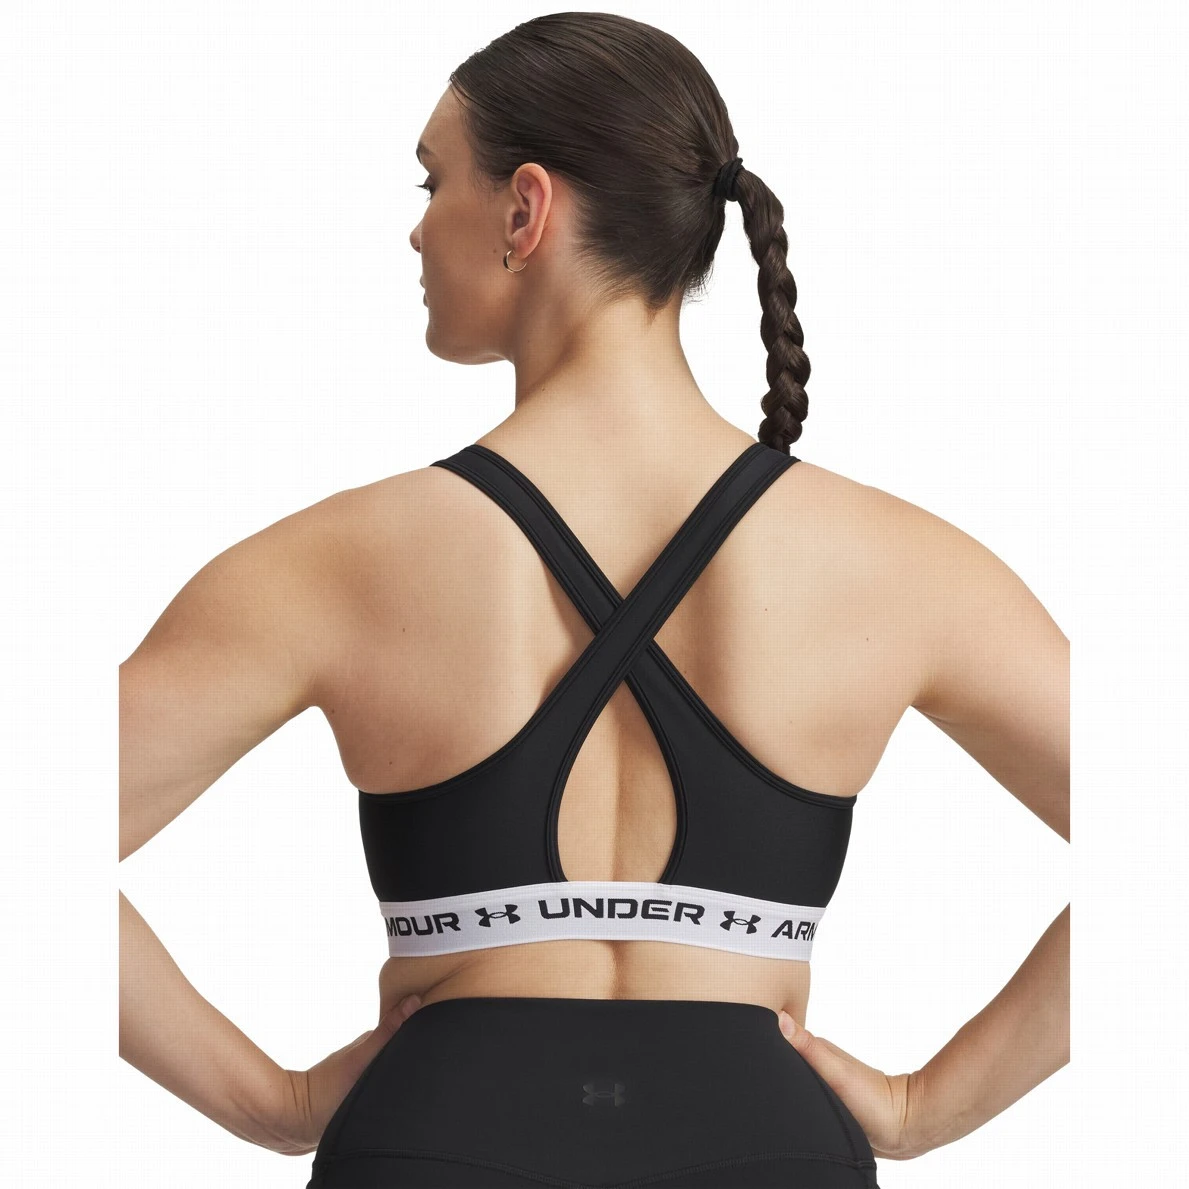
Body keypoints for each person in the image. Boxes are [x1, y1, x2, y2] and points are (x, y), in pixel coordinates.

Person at [119, 13, 1069, 1188]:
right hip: (764, 1143)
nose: (416, 227)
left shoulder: (331, 560)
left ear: (524, 210)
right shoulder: (901, 563)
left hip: (434, 1134)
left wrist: (274, 1103)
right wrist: (925, 1108)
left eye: (431, 181)